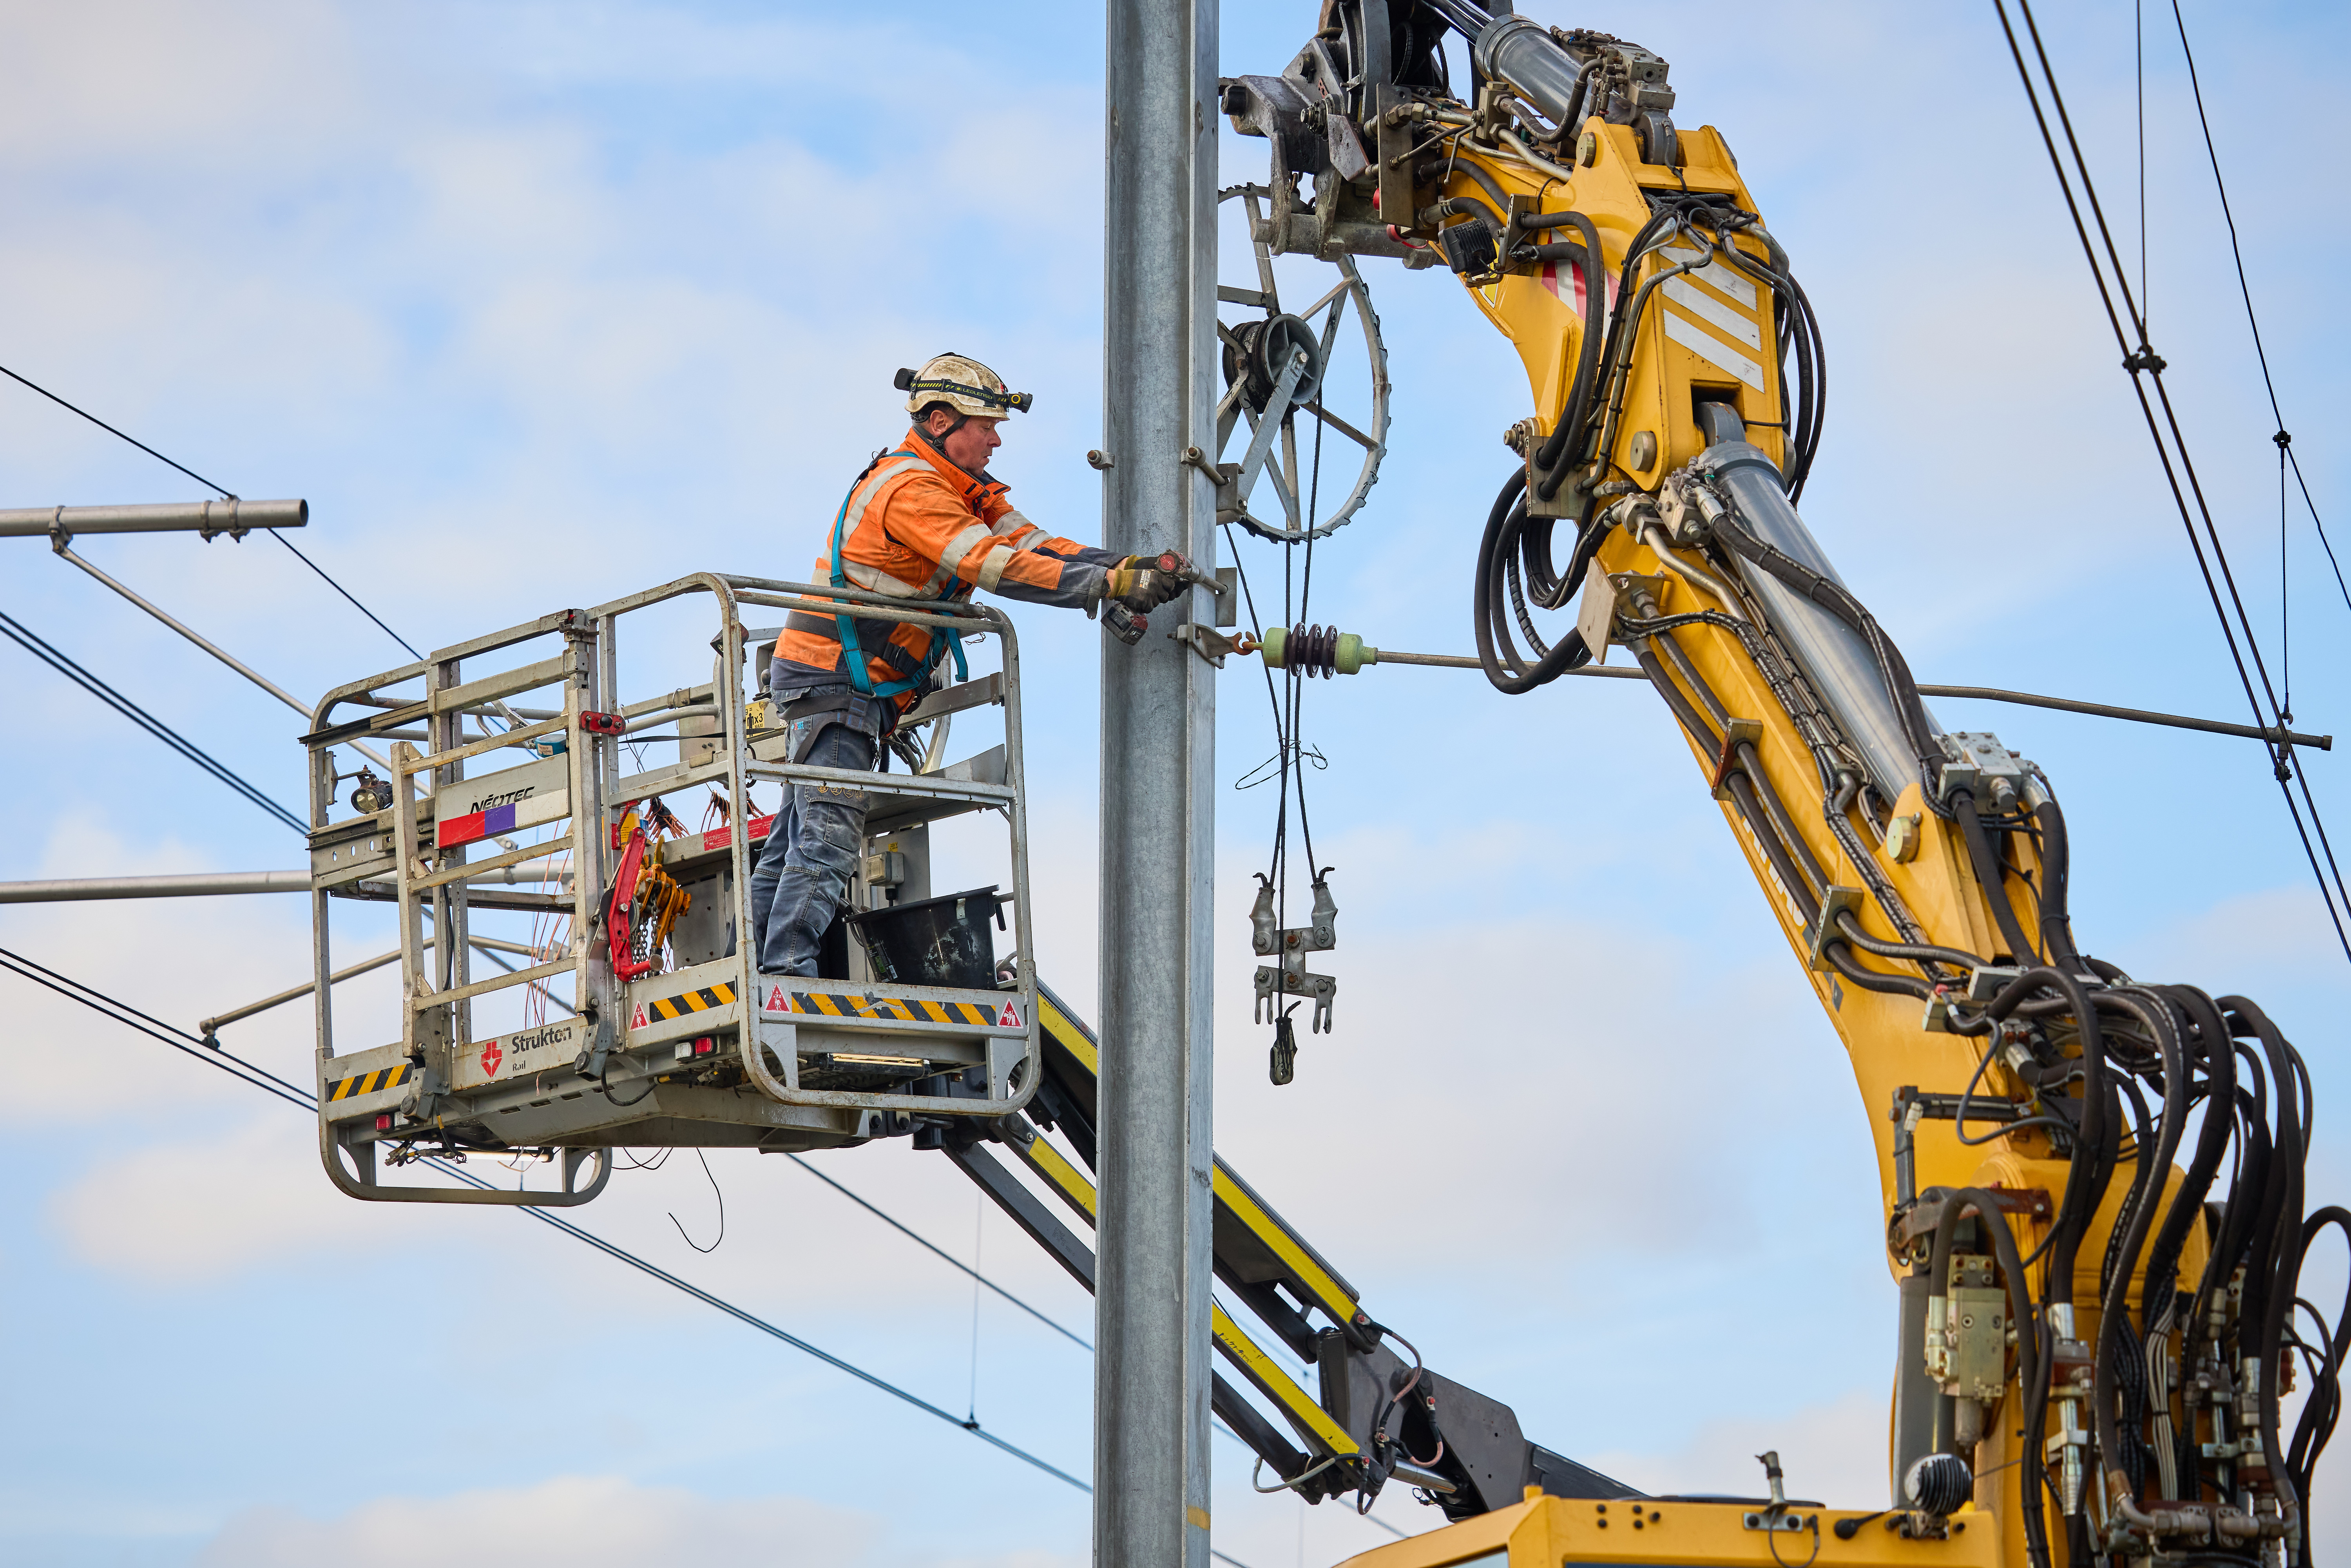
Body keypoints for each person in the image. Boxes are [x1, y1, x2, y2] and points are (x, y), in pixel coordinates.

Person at [748, 352, 1190, 977]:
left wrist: (1125, 568)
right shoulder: (913, 491)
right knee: (825, 837)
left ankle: (767, 973)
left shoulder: (958, 486)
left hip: (835, 684)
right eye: (985, 423)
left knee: (799, 836)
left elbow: (1034, 547)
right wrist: (1108, 585)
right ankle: (784, 978)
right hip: (834, 682)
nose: (996, 436)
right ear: (938, 421)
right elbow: (995, 567)